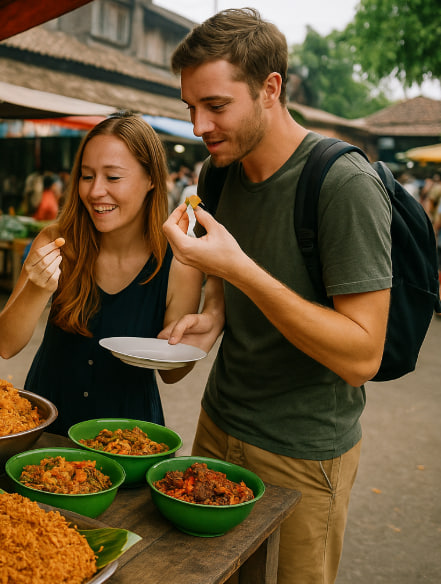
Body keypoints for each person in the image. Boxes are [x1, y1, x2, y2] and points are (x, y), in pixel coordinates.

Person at [163, 9, 392, 584]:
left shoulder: (343, 185)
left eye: (216, 106)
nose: (199, 126)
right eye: (191, 107)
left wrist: (240, 269)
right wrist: (214, 308)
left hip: (303, 451)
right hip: (217, 426)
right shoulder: (219, 175)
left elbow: (363, 356)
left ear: (271, 88)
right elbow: (224, 278)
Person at [0, 113, 220, 434]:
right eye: (87, 176)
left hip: (130, 437)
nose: (96, 191)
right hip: (46, 427)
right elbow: (5, 345)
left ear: (151, 179)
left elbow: (170, 374)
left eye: (113, 178)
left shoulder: (180, 260)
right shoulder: (57, 241)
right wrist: (38, 287)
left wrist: (197, 339)